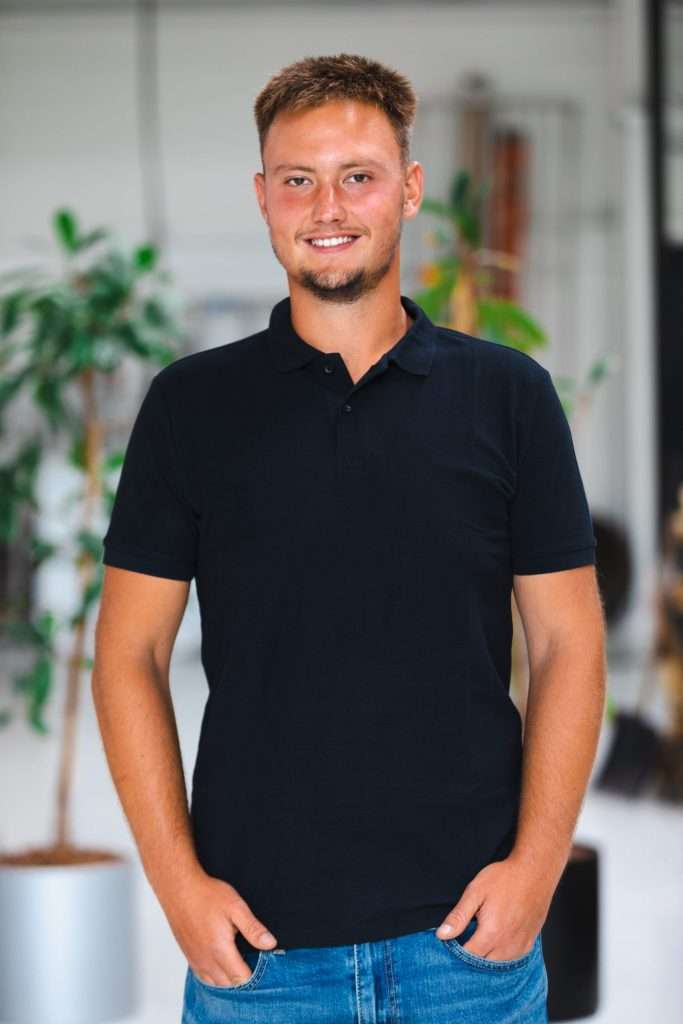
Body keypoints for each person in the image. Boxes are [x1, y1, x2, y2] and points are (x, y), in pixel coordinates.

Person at [93, 53, 606, 1024]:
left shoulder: (509, 397)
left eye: (357, 175)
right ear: (263, 198)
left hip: (467, 949)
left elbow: (567, 643)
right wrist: (177, 885)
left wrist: (535, 869)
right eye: (298, 179)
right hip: (260, 957)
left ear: (407, 190)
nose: (326, 206)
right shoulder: (191, 407)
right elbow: (128, 654)